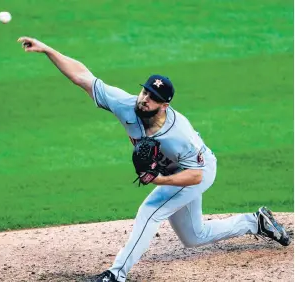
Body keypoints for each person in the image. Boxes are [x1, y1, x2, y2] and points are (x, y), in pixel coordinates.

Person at [17, 37, 291, 282]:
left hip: (197, 171)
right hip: (179, 172)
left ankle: (115, 275)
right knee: (194, 237)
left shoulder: (179, 134)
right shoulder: (127, 104)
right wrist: (47, 50)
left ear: (165, 105)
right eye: (145, 91)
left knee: (150, 212)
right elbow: (83, 77)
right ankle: (255, 222)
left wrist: (159, 180)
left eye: (153, 97)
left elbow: (196, 175)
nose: (145, 99)